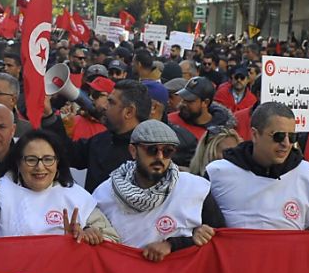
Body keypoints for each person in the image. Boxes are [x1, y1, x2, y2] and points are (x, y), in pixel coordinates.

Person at [94, 120, 225, 260]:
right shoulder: (105, 194)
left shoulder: (195, 188)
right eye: (152, 150)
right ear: (133, 151)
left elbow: (220, 240)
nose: (160, 157)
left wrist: (177, 243)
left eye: (168, 151)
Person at [206, 102, 309, 240]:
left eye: (292, 137)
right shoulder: (217, 173)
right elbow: (199, 224)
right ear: (255, 135)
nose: (286, 143)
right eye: (278, 136)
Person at [0, 130, 119, 244]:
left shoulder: (77, 197)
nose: (39, 167)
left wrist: (88, 236)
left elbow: (111, 240)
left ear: (57, 162)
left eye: (48, 159)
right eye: (31, 159)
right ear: (18, 163)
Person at [45, 79, 151, 192]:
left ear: (129, 112)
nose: (105, 106)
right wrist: (49, 116)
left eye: (111, 102)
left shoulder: (149, 152)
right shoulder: (101, 140)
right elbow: (68, 153)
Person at [167, 77, 236, 140]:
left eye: (190, 101)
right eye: (183, 99)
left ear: (205, 102)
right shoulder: (170, 121)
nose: (184, 104)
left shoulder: (221, 133)